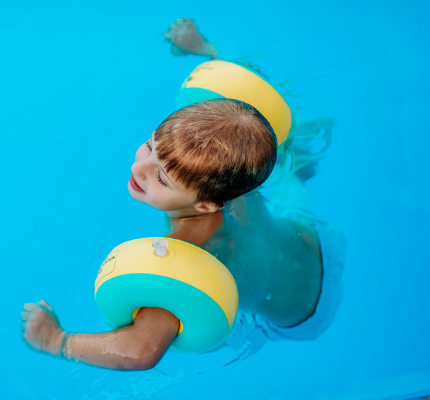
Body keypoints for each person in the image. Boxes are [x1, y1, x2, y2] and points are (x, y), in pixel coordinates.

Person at [20, 20, 345, 371]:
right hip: (319, 240)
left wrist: (58, 341)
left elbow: (142, 349)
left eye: (160, 177)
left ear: (207, 205)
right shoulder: (234, 178)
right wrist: (206, 52)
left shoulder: (189, 254)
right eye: (149, 146)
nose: (138, 168)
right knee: (283, 159)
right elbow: (248, 93)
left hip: (301, 315)